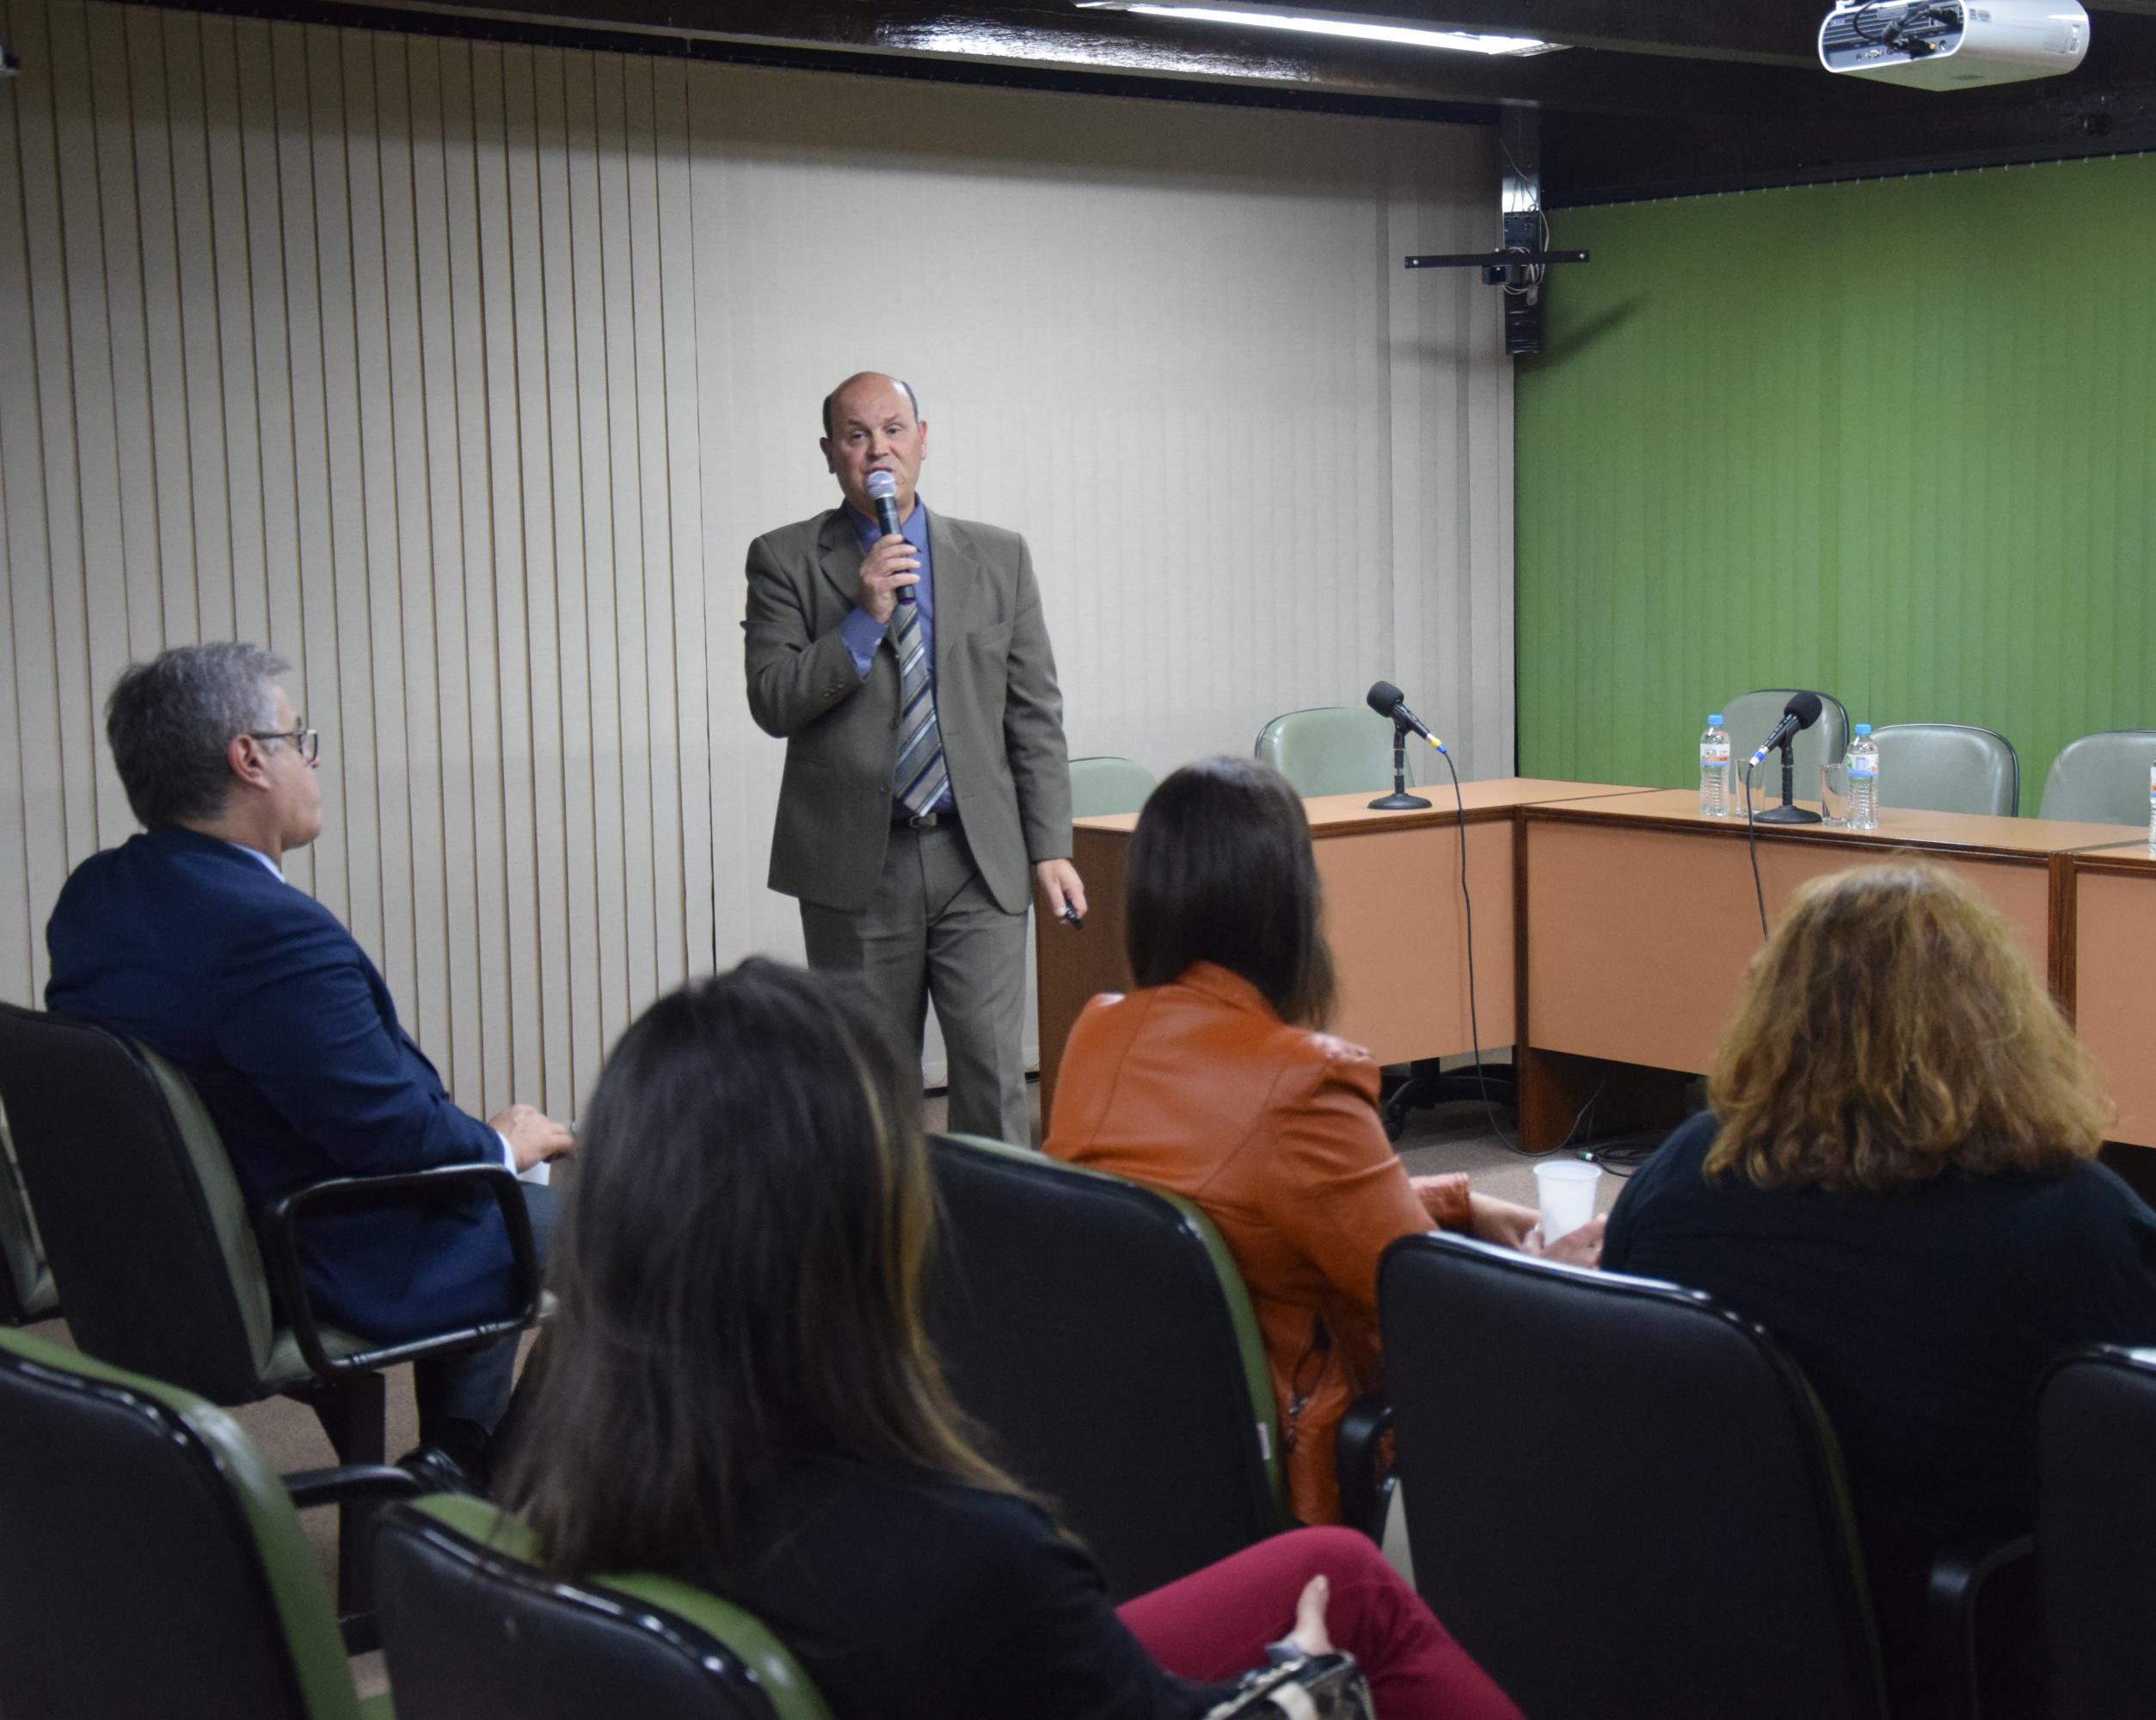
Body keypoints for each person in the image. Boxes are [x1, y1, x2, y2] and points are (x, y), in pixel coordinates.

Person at [501, 958, 1522, 1720]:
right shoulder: (969, 1555)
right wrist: (1300, 1686)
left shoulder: (546, 1467)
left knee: (1338, 1569)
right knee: (1338, 1626)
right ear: (863, 1237)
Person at [1600, 858, 2156, 1707]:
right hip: (1961, 1646)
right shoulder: (2072, 1222)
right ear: (1995, 1019)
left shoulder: (1683, 1173)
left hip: (1718, 1628)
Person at [46, 644, 573, 1483]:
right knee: (645, 1229)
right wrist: (500, 1143)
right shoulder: (265, 932)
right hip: (316, 1246)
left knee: (500, 1177)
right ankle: (495, 1481)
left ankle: (453, 1461)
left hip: (185, 1248)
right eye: (300, 738)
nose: (313, 759)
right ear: (250, 758)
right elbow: (398, 1137)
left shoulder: (97, 895)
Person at [1045, 757, 1604, 1526]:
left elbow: (1241, 1199)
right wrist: (1542, 1277)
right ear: (1289, 904)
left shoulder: (1098, 1033)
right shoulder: (1303, 1079)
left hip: (1129, 1442)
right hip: (1291, 1454)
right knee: (1585, 1368)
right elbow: (1425, 1309)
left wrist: (1460, 1200)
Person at [743, 372, 1082, 1145]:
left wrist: (1051, 845)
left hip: (978, 855)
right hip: (858, 865)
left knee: (995, 1079)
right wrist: (862, 621)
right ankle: (877, 1255)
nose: (878, 451)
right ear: (831, 455)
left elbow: (1033, 714)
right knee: (868, 1088)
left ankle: (993, 1252)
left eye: (893, 430)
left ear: (923, 440)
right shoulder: (784, 559)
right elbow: (772, 700)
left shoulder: (998, 558)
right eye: (857, 437)